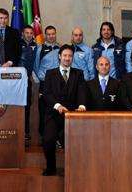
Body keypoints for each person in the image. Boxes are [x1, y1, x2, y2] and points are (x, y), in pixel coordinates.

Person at [42, 44, 86, 176]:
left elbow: (82, 92)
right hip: (54, 114)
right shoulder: (50, 73)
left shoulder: (79, 73)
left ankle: (74, 169)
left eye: (70, 56)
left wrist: (82, 106)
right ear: (59, 57)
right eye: (65, 55)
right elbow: (46, 94)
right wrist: (58, 106)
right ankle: (51, 168)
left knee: (75, 141)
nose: (67, 58)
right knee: (48, 139)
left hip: (72, 115)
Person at [33, 25, 60, 138]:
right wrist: (41, 78)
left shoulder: (61, 48)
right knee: (44, 111)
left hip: (59, 85)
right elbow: (36, 66)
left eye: (53, 34)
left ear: (55, 34)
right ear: (45, 35)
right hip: (44, 85)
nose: (51, 36)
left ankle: (58, 137)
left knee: (57, 110)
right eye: (48, 34)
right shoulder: (40, 49)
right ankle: (44, 136)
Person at [18, 25, 37, 143]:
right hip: (16, 81)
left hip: (29, 80)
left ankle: (26, 133)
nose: (29, 35)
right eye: (27, 32)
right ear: (23, 33)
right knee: (17, 107)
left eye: (31, 33)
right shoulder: (17, 44)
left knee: (27, 107)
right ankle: (17, 131)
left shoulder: (37, 46)